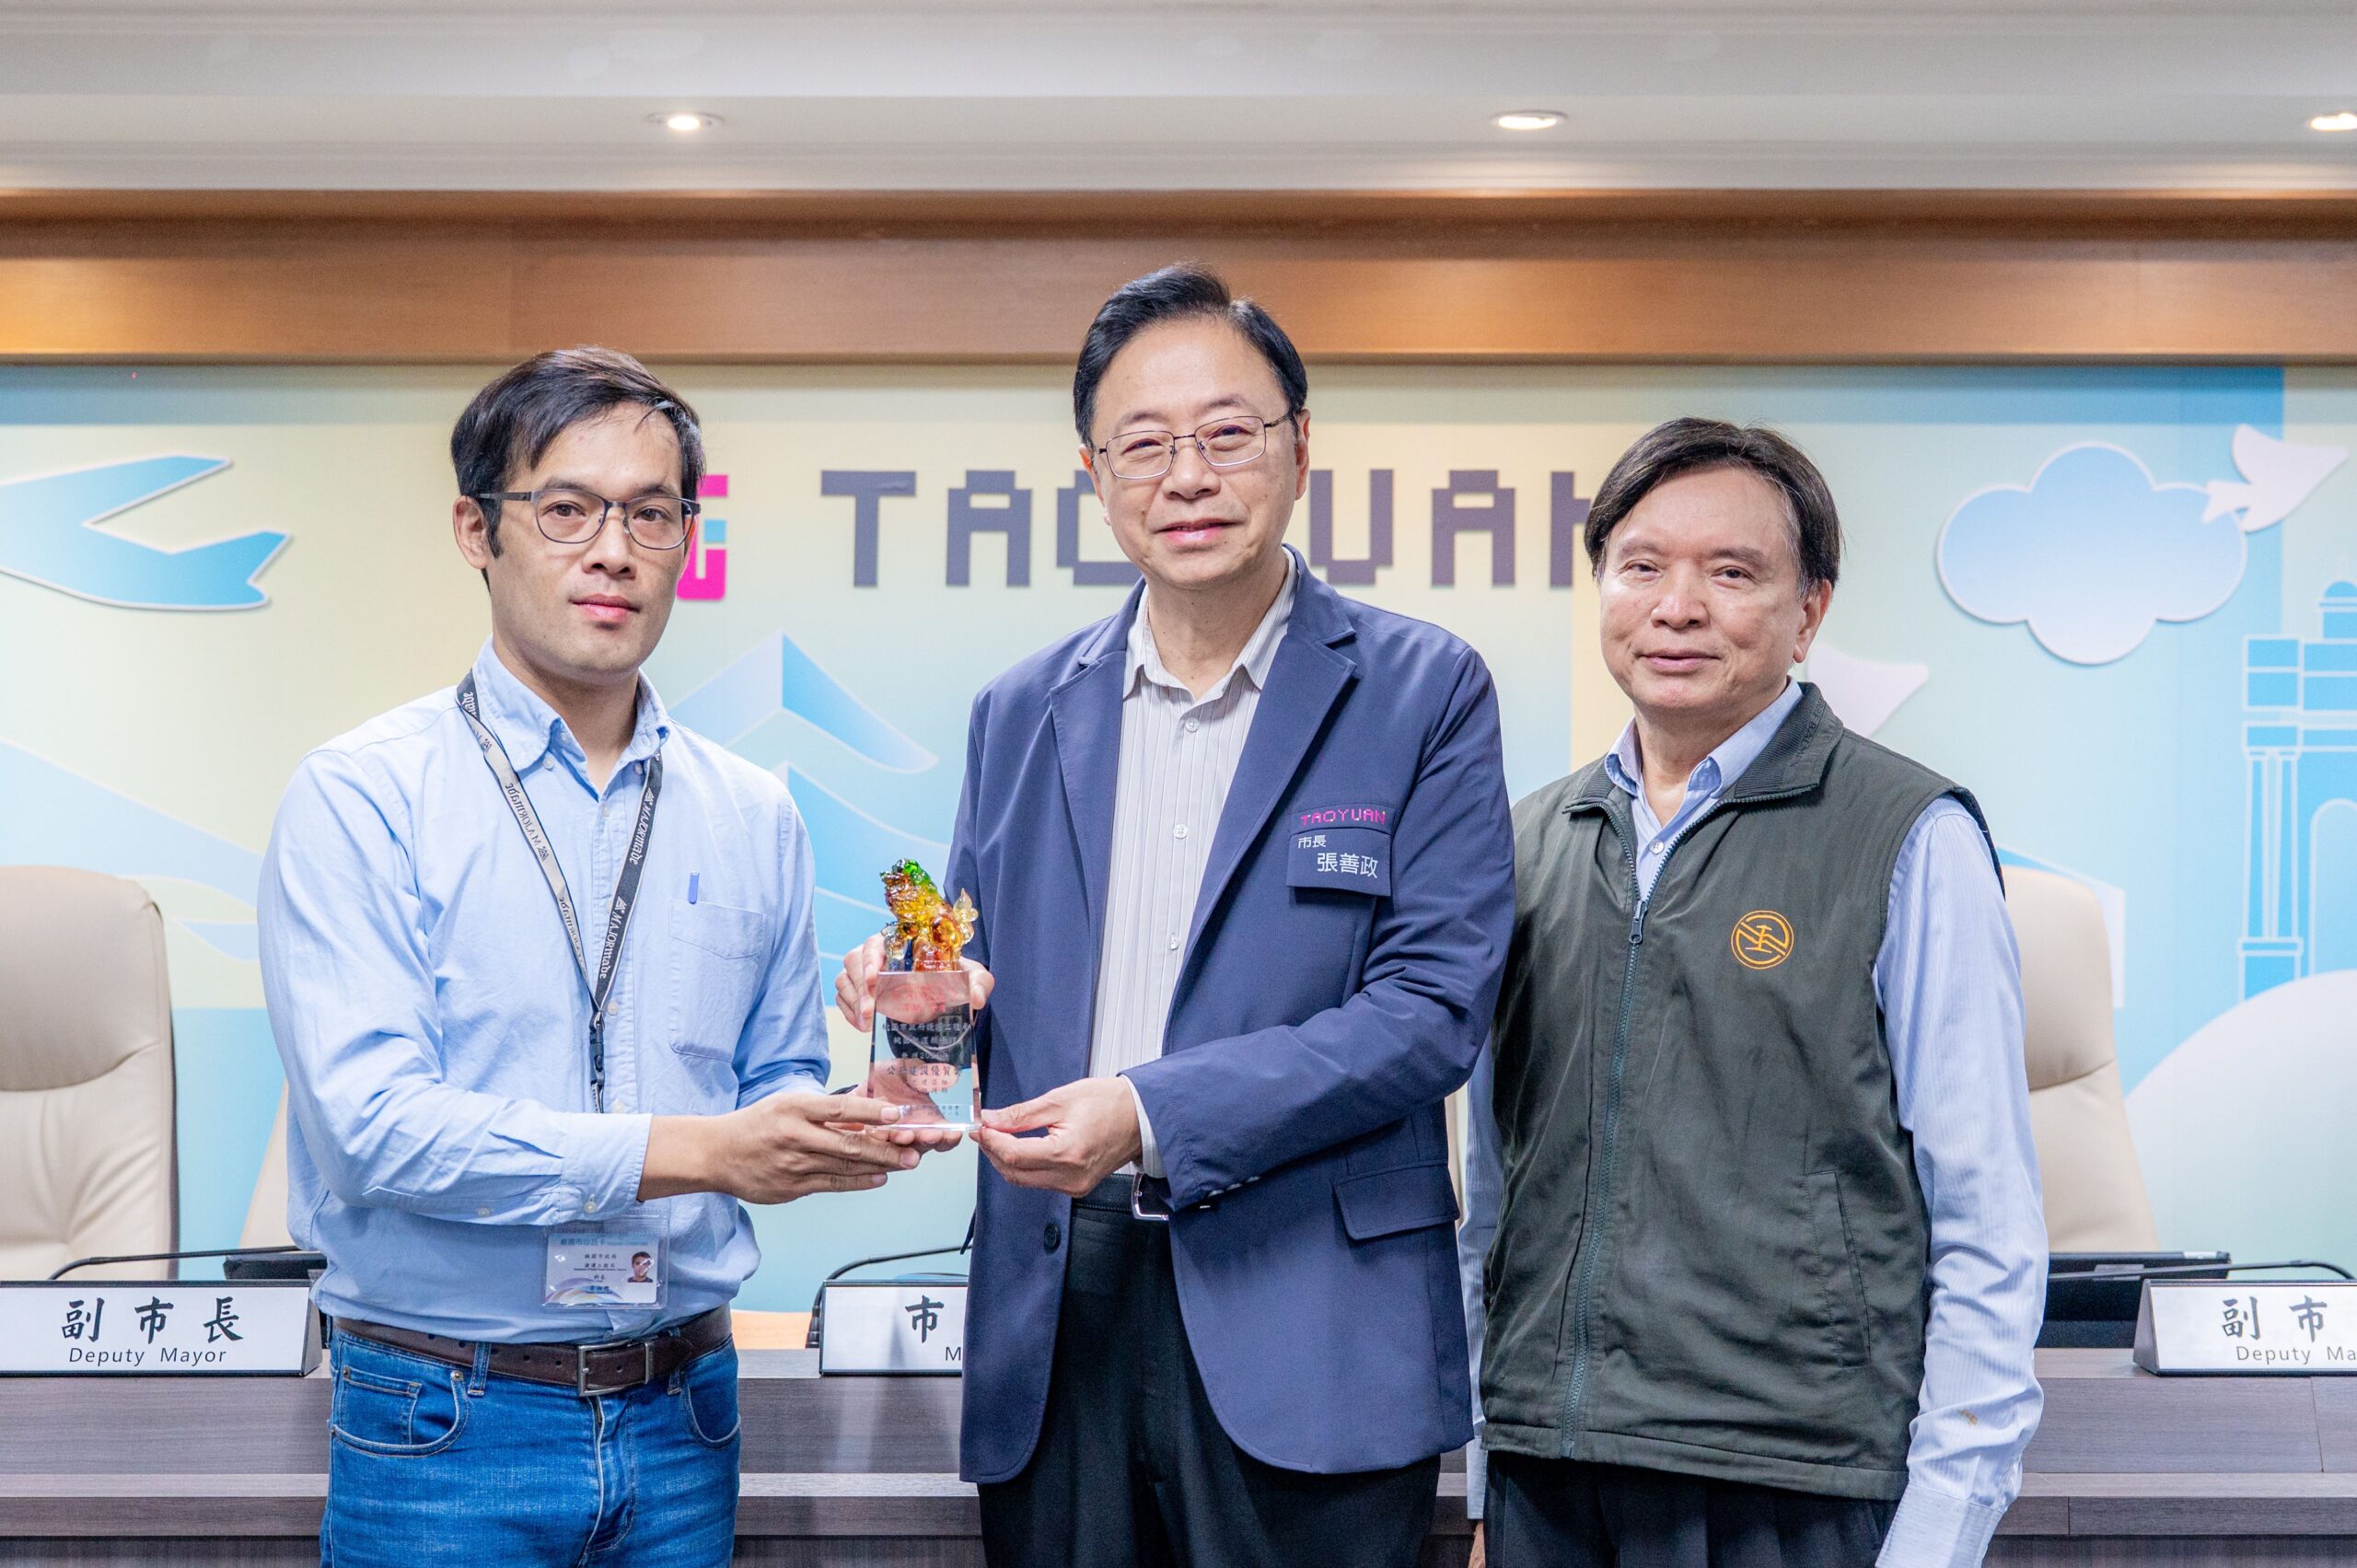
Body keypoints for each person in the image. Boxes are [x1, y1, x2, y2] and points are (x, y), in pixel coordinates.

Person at [837, 264, 1515, 1567]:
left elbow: (1430, 1014)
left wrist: (1148, 1111)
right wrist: (913, 1004)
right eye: (1143, 444)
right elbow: (973, 974)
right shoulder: (1021, 708)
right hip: (1061, 1308)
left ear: (1300, 446)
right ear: (1093, 475)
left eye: (1226, 433)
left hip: (1308, 1311)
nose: (1186, 476)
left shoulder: (1422, 688)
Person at [259, 347, 940, 1568]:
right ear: (477, 529)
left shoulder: (753, 812)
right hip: (444, 1414)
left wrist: (864, 1103)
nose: (615, 550)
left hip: (684, 1406)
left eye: (651, 513)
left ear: (687, 538)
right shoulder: (364, 794)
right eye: (567, 509)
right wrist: (703, 1150)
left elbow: (772, 1080)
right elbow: (372, 1128)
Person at [1458, 418, 2046, 1568]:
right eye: (1640, 566)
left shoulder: (1908, 836)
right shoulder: (1523, 844)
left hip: (1794, 1481)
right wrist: (1489, 1476)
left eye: (1731, 573)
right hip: (1550, 1478)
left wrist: (1938, 1535)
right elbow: (1492, 1196)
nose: (1676, 607)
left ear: (1808, 610)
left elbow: (1986, 1220)